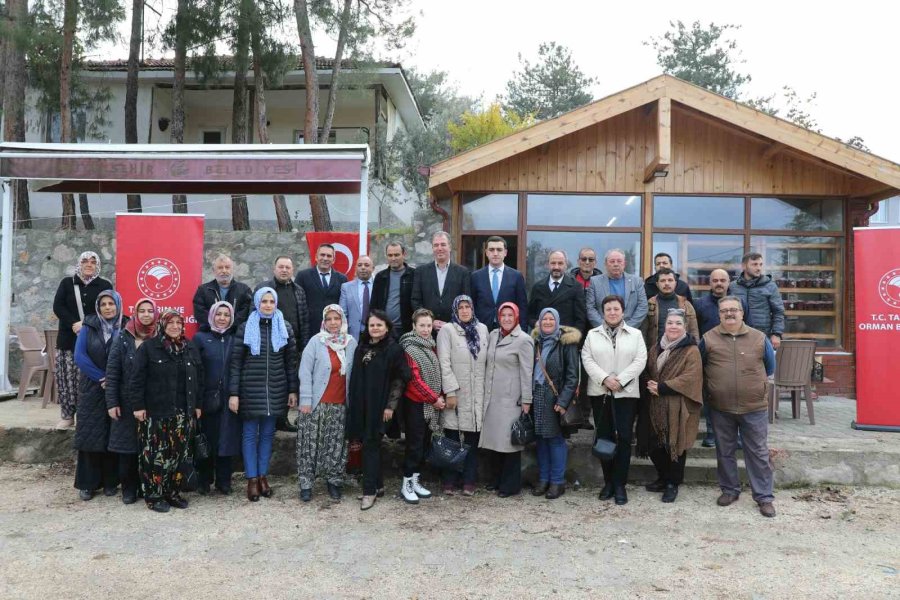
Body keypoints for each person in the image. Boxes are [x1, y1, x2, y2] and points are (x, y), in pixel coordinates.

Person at [700, 296, 777, 518]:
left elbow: (770, 367)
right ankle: (730, 490)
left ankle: (764, 497)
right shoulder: (708, 339)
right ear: (719, 314)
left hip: (754, 407)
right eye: (724, 310)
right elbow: (700, 367)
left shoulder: (759, 338)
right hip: (720, 407)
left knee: (758, 453)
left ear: (742, 313)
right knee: (725, 451)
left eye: (734, 310)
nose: (729, 314)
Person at [229, 288, 300, 502]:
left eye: (271, 301)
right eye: (264, 301)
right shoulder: (245, 327)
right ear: (257, 303)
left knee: (268, 435)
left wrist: (292, 390)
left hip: (276, 389)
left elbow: (290, 362)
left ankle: (262, 476)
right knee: (250, 435)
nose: (268, 305)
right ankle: (251, 479)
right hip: (250, 389)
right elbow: (236, 363)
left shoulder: (284, 327)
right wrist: (234, 393)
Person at [130, 310, 203, 513]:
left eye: (178, 323)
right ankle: (154, 495)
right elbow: (136, 380)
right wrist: (138, 406)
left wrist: (197, 405)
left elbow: (200, 379)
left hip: (183, 413)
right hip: (156, 412)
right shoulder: (149, 348)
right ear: (162, 325)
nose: (175, 327)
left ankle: (172, 492)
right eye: (170, 323)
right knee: (155, 455)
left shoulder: (189, 347)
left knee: (178, 455)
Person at [582, 294, 647, 505]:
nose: (612, 312)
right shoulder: (592, 334)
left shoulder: (635, 334)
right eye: (608, 309)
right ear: (603, 312)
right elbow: (587, 359)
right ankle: (608, 482)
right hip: (600, 393)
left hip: (625, 393)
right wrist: (605, 379)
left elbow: (640, 360)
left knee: (624, 438)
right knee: (604, 436)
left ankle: (620, 484)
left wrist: (620, 380)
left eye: (616, 309)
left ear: (622, 311)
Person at [346, 309, 410, 510]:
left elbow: (401, 379)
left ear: (387, 327)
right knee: (367, 444)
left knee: (371, 445)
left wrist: (390, 406)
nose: (375, 328)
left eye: (379, 325)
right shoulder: (361, 347)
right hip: (360, 405)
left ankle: (369, 491)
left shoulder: (394, 349)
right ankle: (378, 486)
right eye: (372, 325)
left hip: (380, 407)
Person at [296, 305, 358, 502]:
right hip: (315, 404)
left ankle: (334, 480)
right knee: (309, 445)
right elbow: (305, 372)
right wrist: (305, 400)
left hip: (340, 404)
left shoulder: (350, 343)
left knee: (336, 445)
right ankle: (306, 483)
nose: (333, 323)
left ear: (342, 321)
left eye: (336, 319)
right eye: (329, 319)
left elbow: (355, 374)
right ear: (324, 321)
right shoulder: (317, 341)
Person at [642, 309, 703, 503]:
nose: (673, 326)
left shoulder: (691, 350)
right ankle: (662, 477)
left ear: (685, 327)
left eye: (678, 323)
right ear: (665, 326)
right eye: (670, 323)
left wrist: (663, 387)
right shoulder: (656, 348)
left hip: (678, 405)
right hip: (655, 404)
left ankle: (672, 483)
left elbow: (691, 377)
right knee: (654, 445)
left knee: (675, 444)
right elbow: (648, 369)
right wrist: (649, 383)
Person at [52, 251, 113, 429]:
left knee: (88, 380)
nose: (89, 264)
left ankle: (88, 416)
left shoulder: (104, 285)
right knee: (67, 379)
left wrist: (86, 323)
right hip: (68, 339)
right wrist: (73, 323)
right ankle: (68, 415)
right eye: (85, 261)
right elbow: (58, 306)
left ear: (97, 265)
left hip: (93, 339)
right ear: (79, 263)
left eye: (93, 262)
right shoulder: (67, 283)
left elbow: (108, 309)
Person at [105, 297, 157, 505]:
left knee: (149, 448)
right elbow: (112, 372)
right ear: (135, 313)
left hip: (153, 402)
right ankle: (128, 488)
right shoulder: (123, 338)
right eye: (141, 310)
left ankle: (147, 487)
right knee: (127, 449)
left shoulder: (160, 337)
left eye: (149, 311)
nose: (146, 314)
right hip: (125, 402)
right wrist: (112, 402)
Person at [480, 302, 534, 498]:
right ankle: (495, 480)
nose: (507, 319)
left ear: (517, 317)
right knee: (494, 443)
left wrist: (527, 400)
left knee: (509, 444)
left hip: (511, 399)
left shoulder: (524, 340)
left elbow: (527, 372)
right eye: (503, 315)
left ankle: (510, 485)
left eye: (511, 315)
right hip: (492, 397)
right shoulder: (493, 335)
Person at [73, 290, 123, 501]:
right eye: (103, 304)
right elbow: (80, 356)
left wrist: (113, 381)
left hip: (117, 388)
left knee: (113, 435)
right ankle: (88, 484)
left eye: (111, 303)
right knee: (90, 436)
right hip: (92, 388)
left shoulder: (126, 325)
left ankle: (110, 482)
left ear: (118, 305)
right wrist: (102, 378)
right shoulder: (89, 325)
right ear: (98, 307)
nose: (108, 307)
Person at [436, 295, 488, 496]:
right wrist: (450, 391)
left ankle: (469, 480)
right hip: (457, 394)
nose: (465, 311)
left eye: (468, 307)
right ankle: (450, 480)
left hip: (477, 394)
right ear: (455, 310)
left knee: (472, 440)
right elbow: (444, 363)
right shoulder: (448, 330)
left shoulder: (482, 330)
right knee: (452, 438)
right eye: (461, 307)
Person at [695, 268, 750, 448]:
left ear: (729, 282)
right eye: (715, 280)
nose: (719, 283)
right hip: (710, 358)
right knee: (712, 397)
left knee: (737, 396)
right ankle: (712, 434)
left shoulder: (741, 303)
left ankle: (738, 436)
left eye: (722, 280)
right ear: (710, 283)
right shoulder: (700, 304)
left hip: (736, 356)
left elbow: (749, 328)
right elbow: (695, 332)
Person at [530, 308, 580, 500]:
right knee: (541, 440)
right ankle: (543, 479)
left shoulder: (566, 343)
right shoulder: (536, 342)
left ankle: (557, 482)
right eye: (545, 319)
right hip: (538, 396)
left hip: (555, 398)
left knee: (555, 440)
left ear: (557, 321)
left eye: (552, 319)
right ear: (540, 322)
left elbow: (572, 375)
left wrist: (563, 401)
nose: (548, 322)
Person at [193, 301, 243, 495]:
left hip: (230, 398)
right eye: (219, 314)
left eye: (226, 315)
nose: (222, 318)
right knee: (207, 439)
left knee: (226, 440)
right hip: (207, 398)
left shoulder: (235, 338)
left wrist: (235, 393)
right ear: (212, 316)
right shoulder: (200, 338)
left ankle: (224, 480)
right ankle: (204, 480)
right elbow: (195, 370)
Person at [256, 256, 310, 433]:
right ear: (274, 269)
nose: (284, 270)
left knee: (289, 382)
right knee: (272, 382)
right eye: (281, 267)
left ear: (292, 270)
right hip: (269, 344)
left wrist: (304, 343)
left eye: (288, 267)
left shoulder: (299, 290)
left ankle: (283, 418)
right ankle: (269, 417)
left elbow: (303, 318)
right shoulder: (264, 289)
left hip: (292, 345)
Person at [398, 308, 446, 504]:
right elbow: (414, 381)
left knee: (424, 443)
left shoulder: (430, 345)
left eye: (428, 326)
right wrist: (434, 398)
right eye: (422, 326)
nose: (425, 329)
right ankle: (406, 483)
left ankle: (416, 480)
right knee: (414, 445)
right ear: (414, 326)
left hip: (429, 404)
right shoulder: (409, 347)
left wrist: (437, 397)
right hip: (415, 404)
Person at [411, 231, 471, 335]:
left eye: (443, 244)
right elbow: (415, 301)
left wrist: (451, 324)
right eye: (436, 245)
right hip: (427, 331)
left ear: (450, 247)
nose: (439, 248)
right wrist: (429, 322)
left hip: (454, 330)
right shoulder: (420, 272)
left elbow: (465, 302)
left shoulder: (463, 272)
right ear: (432, 248)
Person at [728, 252, 785, 351]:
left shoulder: (770, 286)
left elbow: (778, 312)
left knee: (760, 366)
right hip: (736, 336)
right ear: (744, 266)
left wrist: (776, 334)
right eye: (754, 264)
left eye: (760, 264)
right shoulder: (733, 287)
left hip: (761, 336)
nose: (759, 268)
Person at [470, 236, 527, 330]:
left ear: (505, 253)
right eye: (491, 250)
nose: (495, 253)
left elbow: (522, 307)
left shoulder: (516, 276)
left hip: (509, 329)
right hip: (482, 330)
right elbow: (472, 305)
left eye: (499, 250)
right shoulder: (476, 277)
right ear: (486, 252)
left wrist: (523, 331)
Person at [586, 249, 648, 329]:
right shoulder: (595, 282)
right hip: (602, 332)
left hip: (630, 332)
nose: (616, 264)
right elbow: (590, 308)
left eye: (619, 261)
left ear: (624, 264)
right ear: (605, 264)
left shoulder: (637, 281)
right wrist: (604, 328)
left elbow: (643, 307)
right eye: (612, 261)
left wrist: (626, 328)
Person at [527, 250, 587, 332]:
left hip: (566, 340)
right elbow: (530, 315)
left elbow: (581, 319)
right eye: (553, 263)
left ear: (566, 265)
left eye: (560, 263)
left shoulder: (575, 287)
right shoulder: (537, 287)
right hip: (543, 339)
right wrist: (535, 323)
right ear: (547, 265)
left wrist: (574, 338)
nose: (556, 267)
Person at [295, 243, 348, 335]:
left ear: (333, 260)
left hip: (334, 329)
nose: (325, 258)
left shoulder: (342, 279)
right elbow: (297, 302)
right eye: (322, 255)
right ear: (316, 257)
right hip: (310, 329)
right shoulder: (303, 276)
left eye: (329, 256)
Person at [640, 268, 699, 350]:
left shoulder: (686, 304)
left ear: (675, 283)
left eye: (670, 280)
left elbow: (694, 332)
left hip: (681, 352)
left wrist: (695, 351)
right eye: (663, 281)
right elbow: (643, 333)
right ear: (657, 284)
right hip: (655, 352)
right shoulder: (649, 304)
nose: (667, 283)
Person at [192, 254, 253, 332]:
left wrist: (229, 325)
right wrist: (216, 326)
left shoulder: (244, 290)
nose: (224, 271)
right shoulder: (203, 290)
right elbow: (200, 313)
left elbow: (246, 312)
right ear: (214, 271)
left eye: (227, 267)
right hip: (210, 334)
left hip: (235, 334)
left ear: (232, 270)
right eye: (220, 268)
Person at [370, 241, 416, 338]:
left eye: (396, 255)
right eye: (390, 255)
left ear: (404, 254)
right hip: (384, 330)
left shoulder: (414, 275)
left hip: (407, 330)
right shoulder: (380, 276)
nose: (393, 258)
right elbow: (374, 304)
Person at [339, 255, 374, 340]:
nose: (363, 268)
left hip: (375, 333)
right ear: (355, 268)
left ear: (373, 268)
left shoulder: (379, 285)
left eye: (366, 265)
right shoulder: (346, 287)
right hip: (353, 334)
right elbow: (342, 313)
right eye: (359, 265)